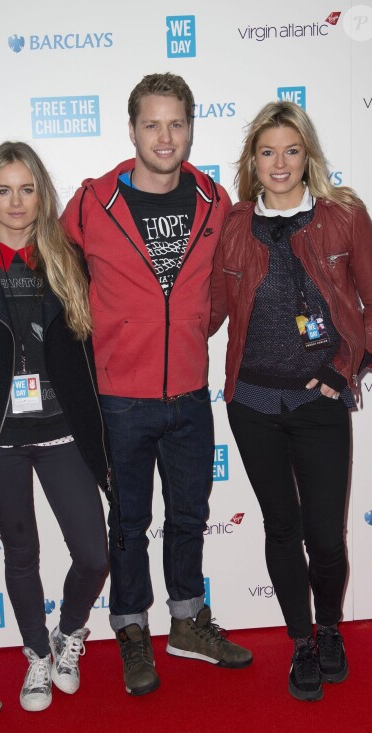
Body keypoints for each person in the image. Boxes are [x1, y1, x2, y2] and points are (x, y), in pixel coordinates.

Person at [62, 72, 253, 696]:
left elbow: (224, 286)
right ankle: (131, 627)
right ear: (132, 130)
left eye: (176, 124)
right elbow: (48, 274)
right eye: (152, 124)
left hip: (191, 395)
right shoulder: (92, 204)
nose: (165, 137)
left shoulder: (214, 200)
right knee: (128, 521)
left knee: (190, 516)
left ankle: (187, 621)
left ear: (191, 129)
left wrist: (197, 328)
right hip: (120, 398)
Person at [211, 101, 372, 700]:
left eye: (291, 150)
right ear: (252, 161)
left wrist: (346, 369)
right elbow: (203, 311)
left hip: (319, 404)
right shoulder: (233, 226)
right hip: (252, 403)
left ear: (307, 154)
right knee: (281, 527)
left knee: (327, 535)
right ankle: (301, 641)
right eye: (267, 152)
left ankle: (331, 627)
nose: (279, 163)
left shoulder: (343, 216)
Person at [0, 142, 111, 712]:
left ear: (41, 194)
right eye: (4, 189)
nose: (16, 201)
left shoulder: (67, 257)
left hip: (63, 432)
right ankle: (36, 656)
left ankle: (68, 635)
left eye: (27, 189)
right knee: (21, 553)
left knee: (93, 555)